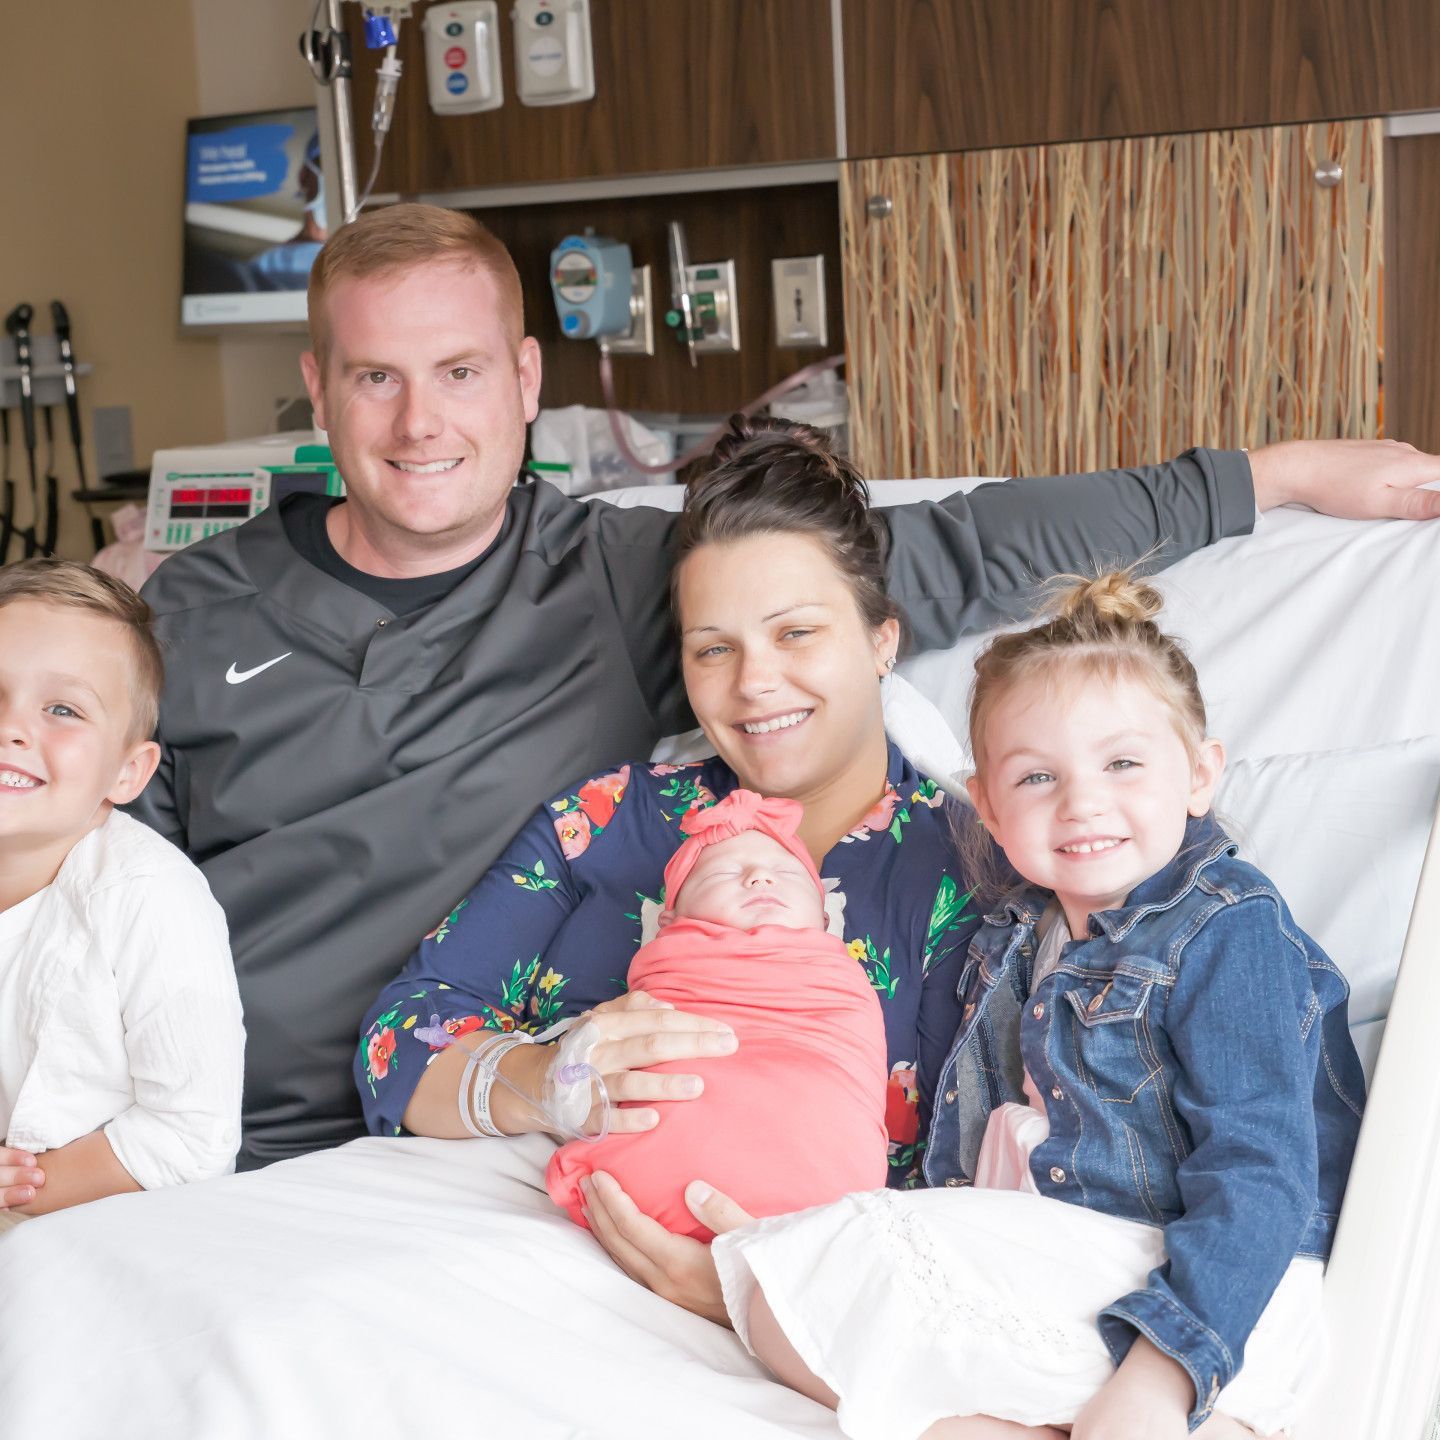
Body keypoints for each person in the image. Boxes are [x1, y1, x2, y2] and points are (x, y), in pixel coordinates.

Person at [132, 200, 1440, 1173]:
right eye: (377, 377)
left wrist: (1265, 479)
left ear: (524, 380)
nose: (422, 424)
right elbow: (79, 885)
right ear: (318, 388)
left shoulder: (959, 848)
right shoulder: (194, 621)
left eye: (460, 372)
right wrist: (534, 1080)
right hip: (190, 1139)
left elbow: (966, 541)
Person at [712, 571, 1365, 1440]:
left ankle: (1165, 1407)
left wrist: (1162, 1374)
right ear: (986, 803)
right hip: (1073, 1253)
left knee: (809, 1270)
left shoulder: (1226, 925)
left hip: (1207, 1281)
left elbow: (1259, 1169)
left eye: (1123, 763)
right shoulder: (1020, 930)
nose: (1082, 801)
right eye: (1035, 778)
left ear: (1200, 775)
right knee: (775, 1294)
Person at [358, 422, 975, 1234]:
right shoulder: (609, 823)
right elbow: (398, 1040)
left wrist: (743, 1292)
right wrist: (544, 1080)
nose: (755, 682)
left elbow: (973, 1181)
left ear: (880, 640)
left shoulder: (967, 868)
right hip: (534, 1258)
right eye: (714, 649)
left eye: (796, 633)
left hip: (816, 1298)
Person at [0, 561, 243, 1230]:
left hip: (102, 1236)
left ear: (127, 771)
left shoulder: (147, 898)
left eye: (62, 710)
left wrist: (23, 1192)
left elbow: (192, 1139)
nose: (12, 729)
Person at [545, 788, 888, 1238]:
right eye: (724, 873)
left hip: (823, 1178)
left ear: (825, 921)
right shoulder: (673, 961)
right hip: (665, 1170)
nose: (760, 879)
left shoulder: (838, 979)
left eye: (786, 873)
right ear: (667, 925)